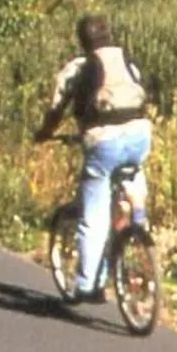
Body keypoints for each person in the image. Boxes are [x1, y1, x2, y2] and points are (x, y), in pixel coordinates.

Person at [32, 15, 152, 303]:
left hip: (103, 143)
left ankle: (87, 285)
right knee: (132, 173)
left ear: (82, 40)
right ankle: (138, 220)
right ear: (109, 35)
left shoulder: (78, 68)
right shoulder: (127, 61)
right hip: (140, 136)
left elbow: (57, 109)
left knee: (94, 215)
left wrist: (44, 134)